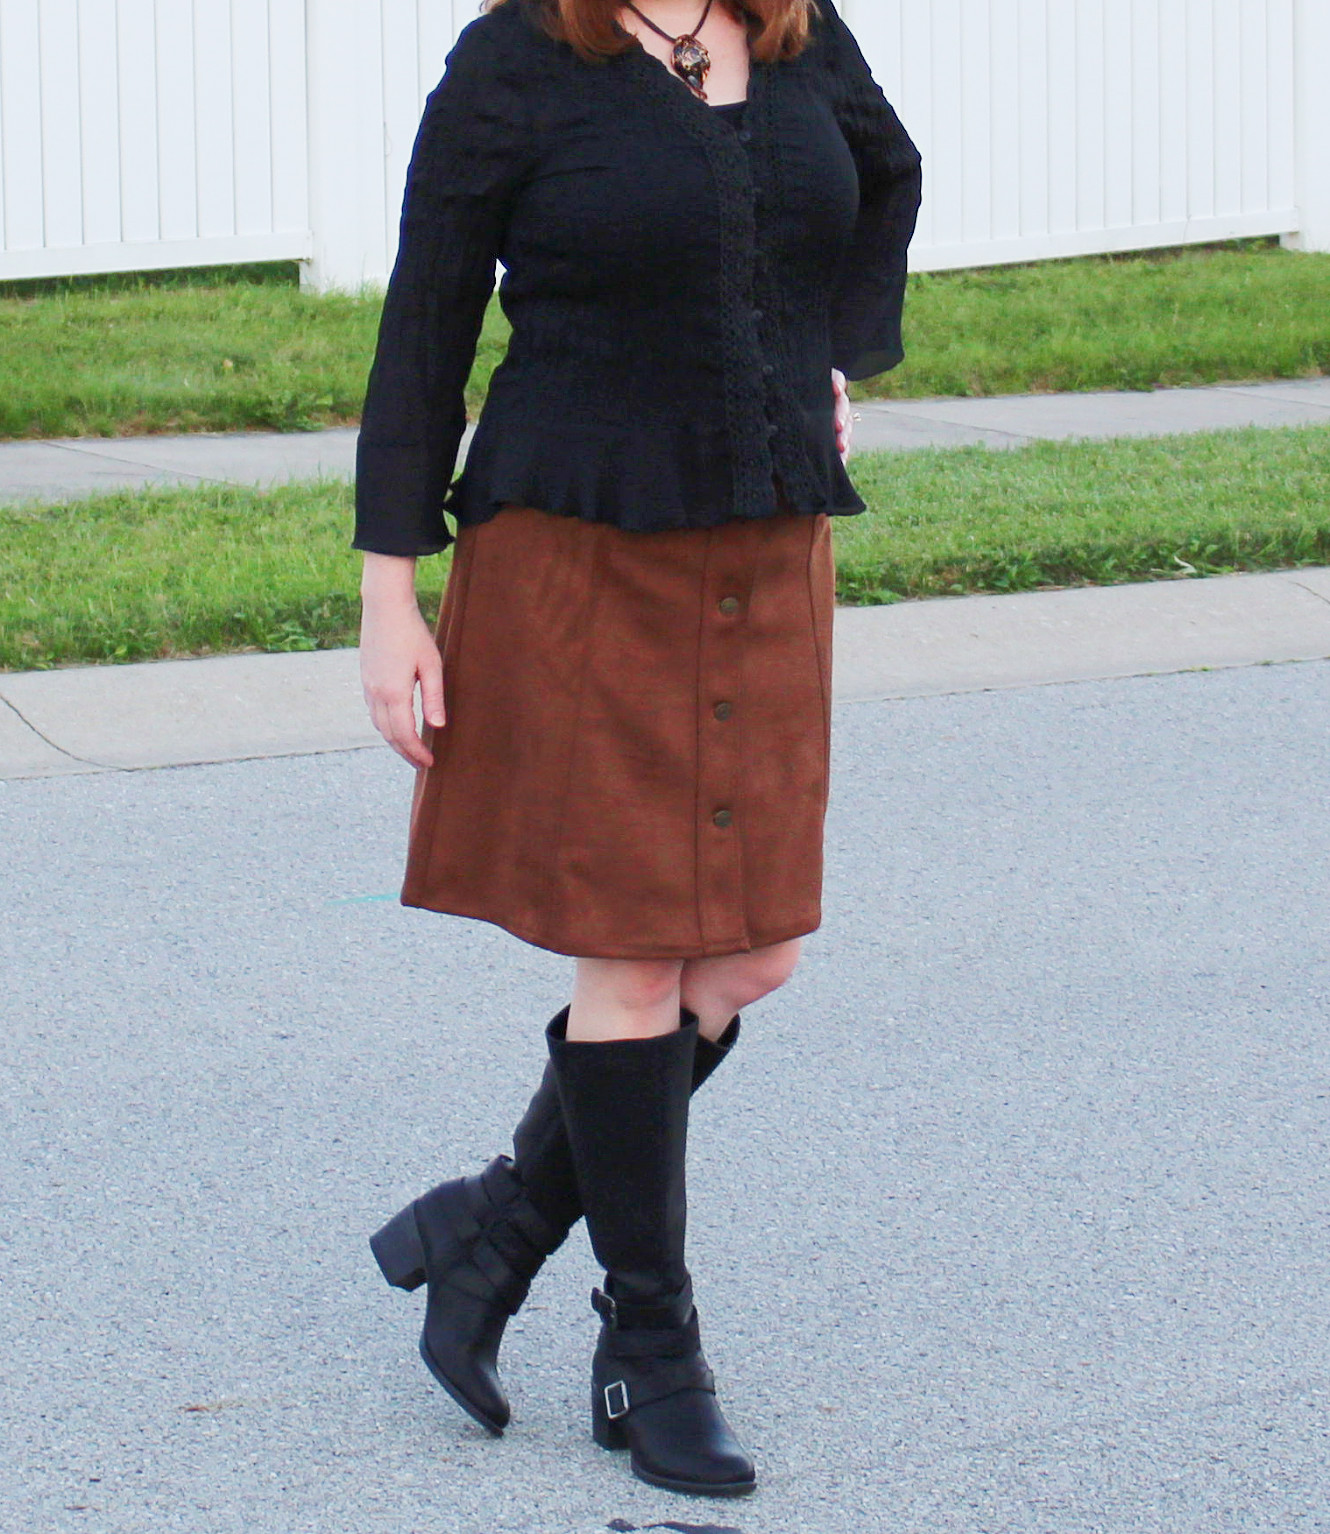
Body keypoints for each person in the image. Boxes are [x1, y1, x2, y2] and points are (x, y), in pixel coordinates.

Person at [353, 0, 921, 1499]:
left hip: (765, 542)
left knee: (747, 958)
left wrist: (831, 358)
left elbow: (886, 177)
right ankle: (649, 1348)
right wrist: (389, 593)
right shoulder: (517, 62)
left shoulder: (794, 34)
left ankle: (491, 1232)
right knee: (638, 952)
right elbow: (424, 319)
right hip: (582, 546)